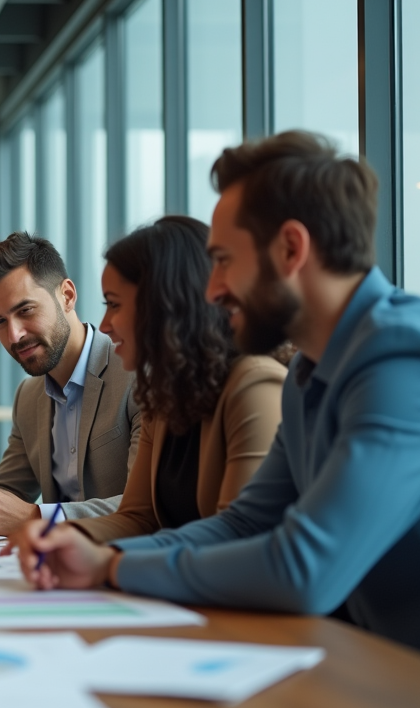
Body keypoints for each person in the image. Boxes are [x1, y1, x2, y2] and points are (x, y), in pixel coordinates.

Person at [6, 131, 420, 653]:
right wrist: (101, 559)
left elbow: (305, 567)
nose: (211, 290)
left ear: (291, 249)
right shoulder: (308, 374)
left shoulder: (402, 360)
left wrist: (113, 566)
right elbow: (245, 522)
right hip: (375, 665)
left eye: (225, 260)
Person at [66, 216, 285, 543]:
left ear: (164, 304)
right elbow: (137, 518)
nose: (104, 324)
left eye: (114, 304)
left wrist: (110, 561)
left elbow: (238, 537)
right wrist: (59, 536)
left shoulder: (255, 386)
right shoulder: (165, 394)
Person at [0, 232, 140, 536]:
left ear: (67, 296)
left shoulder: (136, 372)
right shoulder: (29, 395)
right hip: (51, 571)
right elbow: (7, 490)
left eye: (25, 311)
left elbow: (146, 505)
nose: (14, 336)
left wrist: (38, 517)